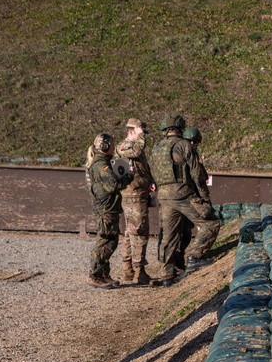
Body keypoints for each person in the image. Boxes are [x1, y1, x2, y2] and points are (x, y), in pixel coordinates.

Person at [147, 114, 221, 286]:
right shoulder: (184, 145)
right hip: (182, 194)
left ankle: (166, 275)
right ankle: (194, 257)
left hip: (164, 196)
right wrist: (204, 197)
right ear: (181, 128)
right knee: (211, 223)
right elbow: (197, 174)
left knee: (168, 235)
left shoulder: (157, 147)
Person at [85, 133, 134, 288]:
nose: (114, 147)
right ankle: (95, 275)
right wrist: (129, 176)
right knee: (105, 241)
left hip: (109, 207)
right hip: (106, 208)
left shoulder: (103, 162)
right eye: (111, 144)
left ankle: (104, 274)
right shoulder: (101, 166)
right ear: (105, 146)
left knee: (110, 241)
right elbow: (114, 185)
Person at [115, 118, 154, 284]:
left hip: (139, 194)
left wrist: (150, 181)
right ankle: (139, 270)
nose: (143, 136)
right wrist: (140, 137)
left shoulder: (136, 147)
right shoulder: (125, 146)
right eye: (140, 132)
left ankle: (128, 270)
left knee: (130, 233)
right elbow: (136, 152)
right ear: (132, 131)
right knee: (139, 232)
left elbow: (143, 167)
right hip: (132, 196)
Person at [175, 126, 207, 268]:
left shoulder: (174, 154)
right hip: (188, 198)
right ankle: (190, 259)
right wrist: (205, 198)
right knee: (207, 224)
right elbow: (199, 177)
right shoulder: (190, 155)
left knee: (178, 232)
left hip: (174, 198)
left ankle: (176, 264)